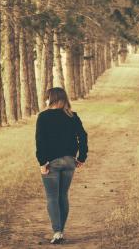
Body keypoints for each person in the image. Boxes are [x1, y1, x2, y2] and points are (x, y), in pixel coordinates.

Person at [35, 87, 89, 244]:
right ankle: (61, 231)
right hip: (69, 161)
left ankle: (57, 232)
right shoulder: (72, 116)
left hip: (52, 162)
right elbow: (83, 136)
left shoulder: (43, 117)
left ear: (51, 99)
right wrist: (82, 157)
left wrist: (42, 162)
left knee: (52, 197)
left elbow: (40, 141)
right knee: (63, 195)